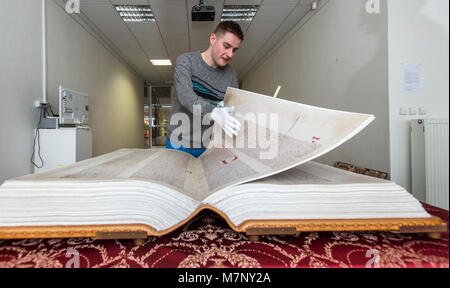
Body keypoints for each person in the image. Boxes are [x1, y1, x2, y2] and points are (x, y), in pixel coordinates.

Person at [166, 21, 243, 158]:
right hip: (178, 142)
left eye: (234, 50)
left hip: (208, 145)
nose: (230, 54)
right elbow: (186, 97)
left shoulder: (231, 75)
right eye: (226, 46)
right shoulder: (186, 61)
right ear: (213, 39)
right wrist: (214, 111)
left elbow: (233, 109)